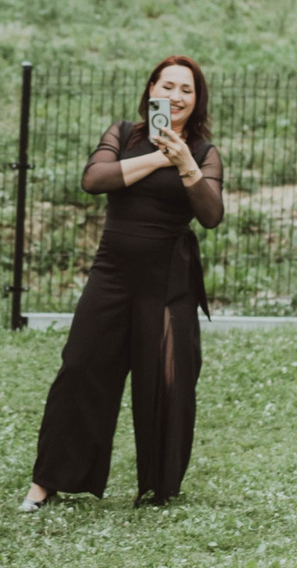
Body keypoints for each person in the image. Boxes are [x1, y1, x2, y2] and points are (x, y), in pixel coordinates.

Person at [22, 56, 226, 511]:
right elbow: (94, 180)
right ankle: (47, 482)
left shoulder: (205, 153)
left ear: (197, 101)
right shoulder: (122, 134)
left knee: (168, 383)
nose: (176, 96)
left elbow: (211, 215)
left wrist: (186, 163)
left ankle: (159, 487)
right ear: (151, 89)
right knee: (79, 370)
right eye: (167, 86)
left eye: (186, 90)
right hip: (112, 274)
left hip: (168, 282)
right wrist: (160, 156)